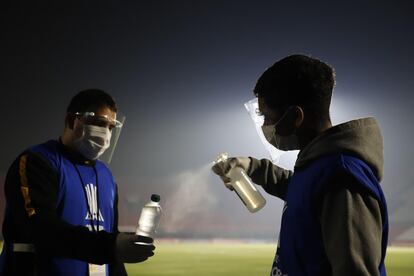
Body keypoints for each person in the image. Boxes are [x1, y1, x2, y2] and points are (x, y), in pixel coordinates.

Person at [213, 54, 388, 276]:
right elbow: (300, 190)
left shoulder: (343, 178)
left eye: (267, 116)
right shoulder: (319, 166)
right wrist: (250, 167)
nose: (265, 125)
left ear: (295, 116)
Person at [0, 89, 155, 276]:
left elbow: (110, 238)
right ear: (71, 121)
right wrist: (110, 246)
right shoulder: (37, 162)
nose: (105, 133)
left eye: (111, 127)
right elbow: (40, 228)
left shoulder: (106, 175)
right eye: (99, 123)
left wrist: (115, 249)